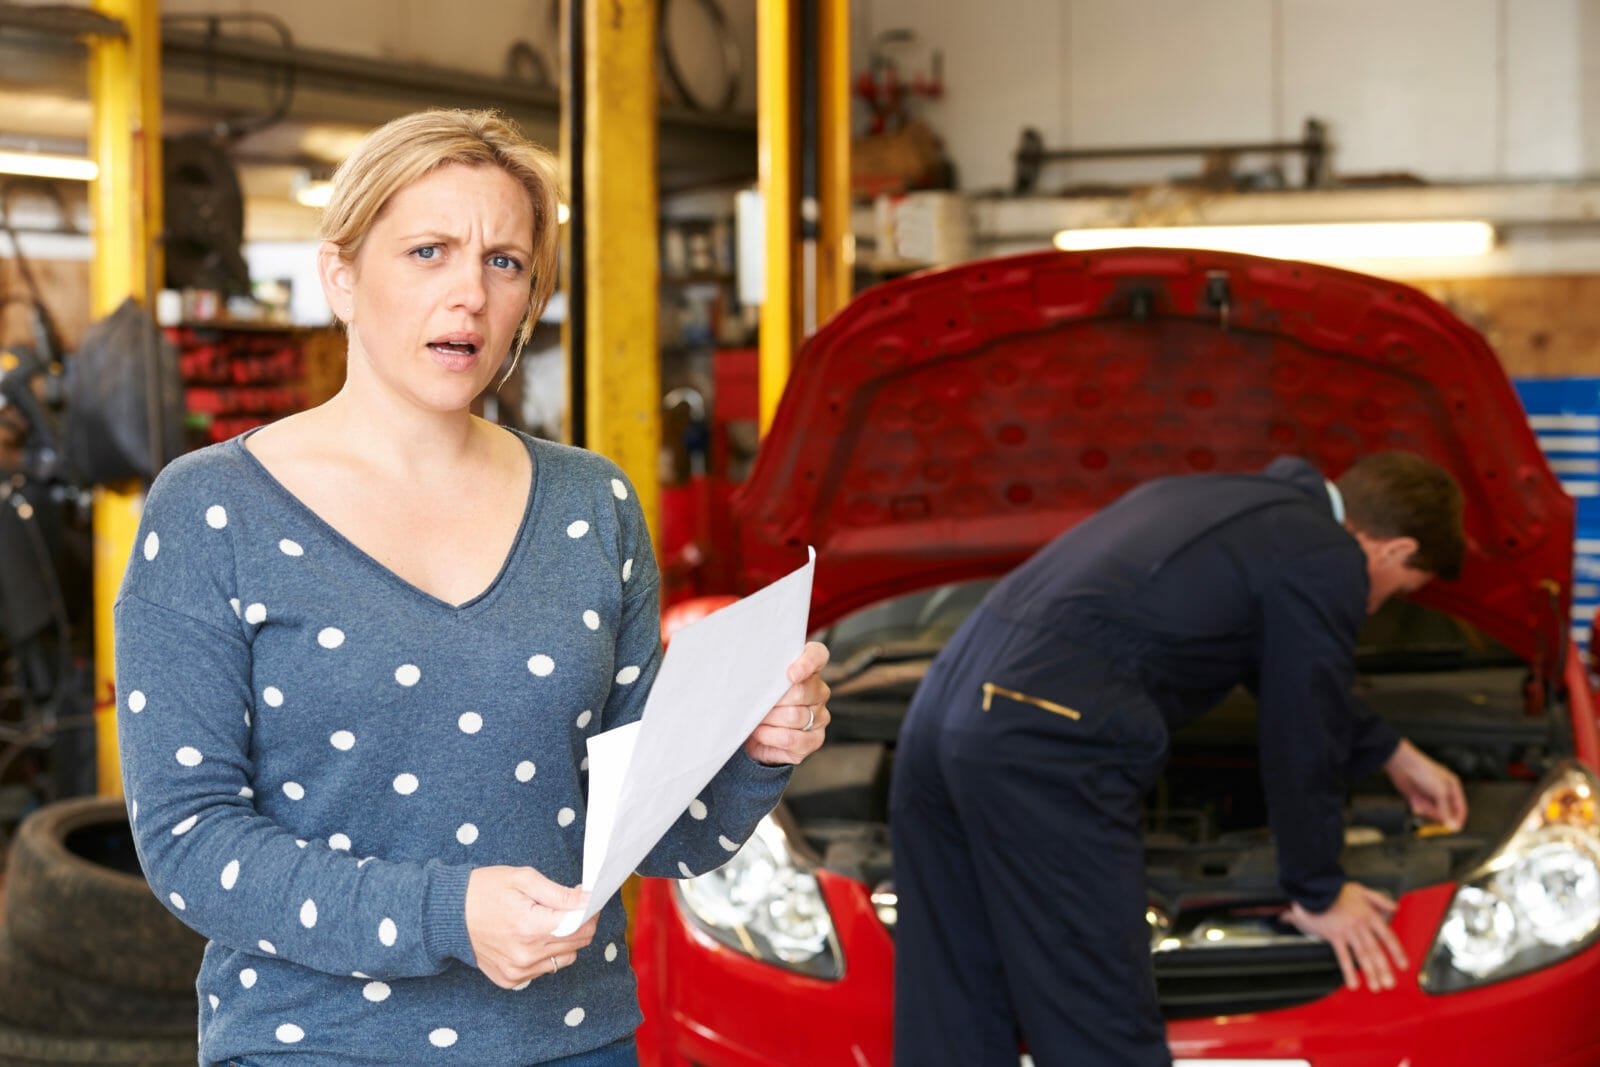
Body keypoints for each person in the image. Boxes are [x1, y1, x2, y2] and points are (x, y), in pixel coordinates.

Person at [113, 108, 831, 1067]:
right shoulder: (213, 511)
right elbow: (188, 840)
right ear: (342, 276)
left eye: (504, 261)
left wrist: (752, 748)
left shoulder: (592, 501)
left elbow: (645, 827)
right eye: (428, 251)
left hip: (572, 1040)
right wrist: (448, 912)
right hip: (315, 1046)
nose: (471, 296)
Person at [889, 451, 1469, 1067]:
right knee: (1093, 1007)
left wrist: (1393, 752)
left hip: (939, 717)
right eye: (1399, 592)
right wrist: (1319, 888)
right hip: (1043, 739)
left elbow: (1288, 673)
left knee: (951, 998)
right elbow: (1304, 726)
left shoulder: (1227, 502)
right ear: (1394, 550)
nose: (1374, 608)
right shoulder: (1329, 556)